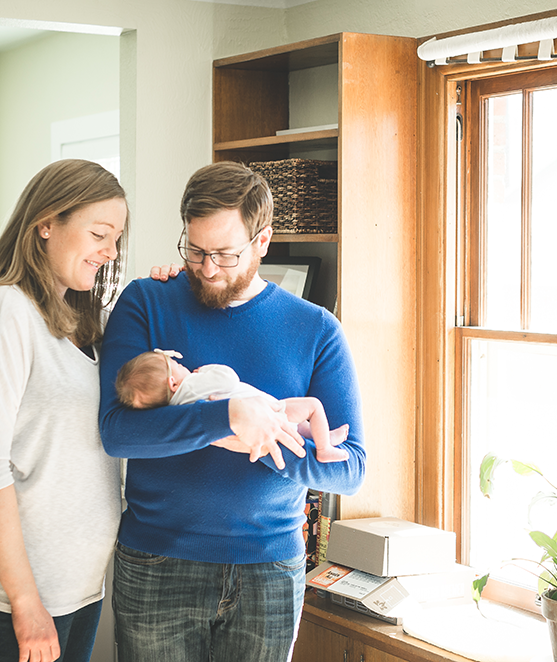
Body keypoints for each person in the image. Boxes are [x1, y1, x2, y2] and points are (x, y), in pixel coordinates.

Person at [99, 161, 366, 662]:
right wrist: (225, 418)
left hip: (269, 571)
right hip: (157, 562)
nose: (206, 268)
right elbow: (118, 433)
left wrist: (259, 438)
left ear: (262, 242)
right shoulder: (145, 302)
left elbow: (351, 469)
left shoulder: (316, 329)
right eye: (195, 250)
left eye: (224, 253)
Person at [0, 159, 127, 662]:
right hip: (14, 599)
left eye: (116, 238)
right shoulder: (3, 311)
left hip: (78, 589)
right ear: (46, 223)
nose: (110, 252)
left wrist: (170, 285)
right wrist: (26, 603)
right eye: (99, 233)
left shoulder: (83, 320)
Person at [114, 348, 350, 463]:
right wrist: (206, 371)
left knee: (298, 427)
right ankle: (324, 447)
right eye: (176, 364)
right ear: (172, 383)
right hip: (272, 410)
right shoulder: (194, 384)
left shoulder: (177, 411)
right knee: (313, 406)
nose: (182, 365)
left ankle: (324, 437)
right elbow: (229, 378)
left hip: (264, 421)